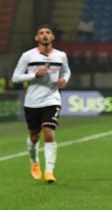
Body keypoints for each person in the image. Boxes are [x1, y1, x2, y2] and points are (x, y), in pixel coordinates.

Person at [11, 25, 71, 184]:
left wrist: (64, 80)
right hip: (32, 101)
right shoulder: (28, 56)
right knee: (34, 136)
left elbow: (66, 71)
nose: (45, 35)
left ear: (52, 37)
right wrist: (34, 75)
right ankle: (34, 161)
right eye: (41, 33)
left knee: (49, 133)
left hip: (52, 99)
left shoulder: (61, 56)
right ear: (36, 38)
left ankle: (49, 171)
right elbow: (15, 77)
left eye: (48, 32)